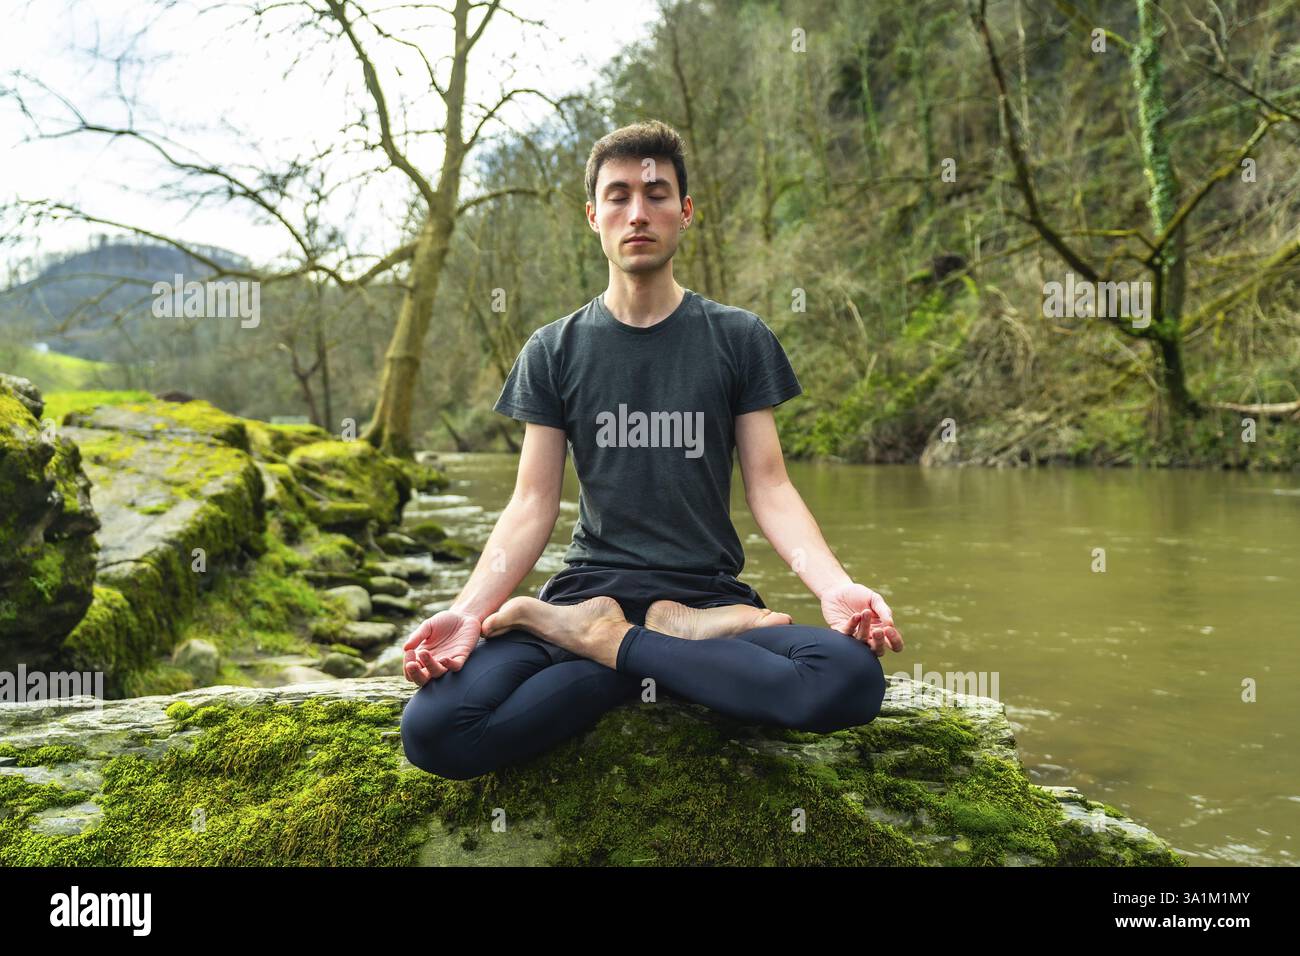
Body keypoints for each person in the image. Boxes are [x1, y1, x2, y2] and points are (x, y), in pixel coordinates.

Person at [400, 120, 903, 780]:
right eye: (618, 195)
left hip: (704, 597)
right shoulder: (553, 350)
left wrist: (837, 589)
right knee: (435, 730)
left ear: (686, 212)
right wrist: (468, 612)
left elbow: (771, 488)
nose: (638, 211)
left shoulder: (739, 338)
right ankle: (649, 650)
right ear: (592, 215)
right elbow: (531, 504)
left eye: (657, 193)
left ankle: (615, 644)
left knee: (849, 680)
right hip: (585, 592)